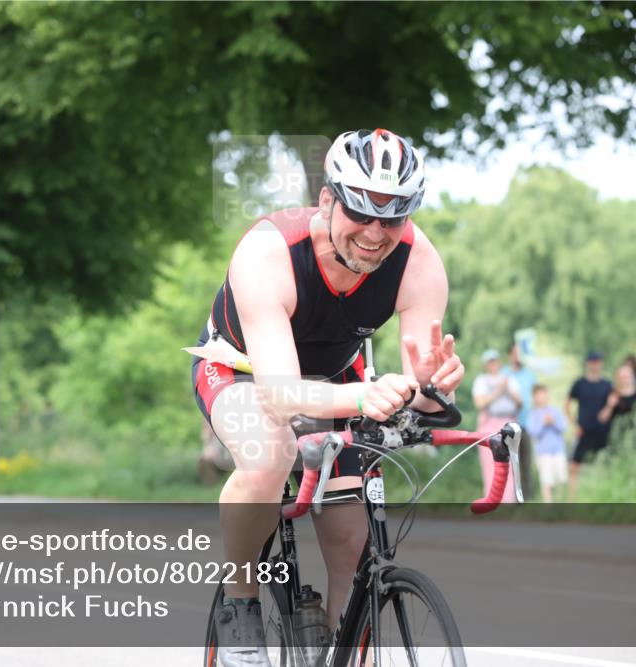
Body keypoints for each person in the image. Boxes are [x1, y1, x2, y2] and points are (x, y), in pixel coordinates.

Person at [189, 129, 463, 666]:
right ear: (327, 201)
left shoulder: (418, 262)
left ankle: (337, 653)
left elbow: (419, 393)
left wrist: (431, 390)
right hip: (243, 371)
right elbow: (280, 395)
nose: (375, 233)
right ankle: (240, 603)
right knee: (270, 455)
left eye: (394, 218)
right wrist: (364, 398)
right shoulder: (270, 252)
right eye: (361, 213)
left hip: (339, 378)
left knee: (349, 539)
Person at [472, 349, 521, 502]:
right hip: (490, 423)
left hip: (508, 422)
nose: (493, 364)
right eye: (490, 362)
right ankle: (492, 500)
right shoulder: (481, 380)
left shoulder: (509, 379)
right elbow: (480, 404)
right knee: (490, 464)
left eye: (495, 361)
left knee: (511, 463)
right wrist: (499, 391)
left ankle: (509, 501)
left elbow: (520, 402)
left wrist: (506, 390)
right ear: (486, 364)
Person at [565, 351, 613, 501]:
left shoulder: (607, 384)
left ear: (601, 363)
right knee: (573, 465)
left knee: (604, 466)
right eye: (592, 362)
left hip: (602, 431)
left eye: (597, 362)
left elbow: (613, 404)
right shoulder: (579, 383)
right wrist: (574, 424)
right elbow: (566, 405)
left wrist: (607, 410)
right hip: (583, 430)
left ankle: (602, 497)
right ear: (587, 364)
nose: (595, 365)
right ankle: (572, 500)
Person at [503, 342, 537, 498]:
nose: (518, 356)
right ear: (510, 354)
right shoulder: (504, 373)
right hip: (508, 425)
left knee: (525, 463)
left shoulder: (529, 374)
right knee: (509, 463)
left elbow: (534, 398)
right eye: (515, 353)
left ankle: (527, 498)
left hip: (526, 424)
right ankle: (510, 498)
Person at [525, 385, 567, 503]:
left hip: (558, 450)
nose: (542, 397)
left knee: (561, 479)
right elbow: (533, 432)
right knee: (546, 480)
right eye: (539, 395)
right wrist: (543, 423)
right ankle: (548, 504)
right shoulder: (532, 414)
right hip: (543, 452)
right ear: (534, 397)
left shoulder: (556, 411)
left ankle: (561, 502)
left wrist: (553, 422)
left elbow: (563, 427)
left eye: (544, 394)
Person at [600, 364, 636, 449]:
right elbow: (602, 418)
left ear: (632, 377)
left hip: (633, 441)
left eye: (626, 376)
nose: (624, 380)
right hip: (614, 441)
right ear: (617, 378)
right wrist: (609, 405)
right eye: (621, 377)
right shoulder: (611, 394)